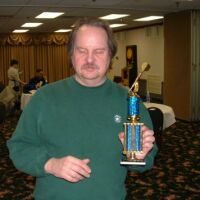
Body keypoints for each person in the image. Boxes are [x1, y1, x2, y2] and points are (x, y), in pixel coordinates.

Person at [7, 18, 157, 200]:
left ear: (110, 55)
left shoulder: (130, 101)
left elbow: (146, 160)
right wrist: (51, 164)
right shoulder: (44, 98)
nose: (90, 59)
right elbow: (19, 147)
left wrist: (139, 157)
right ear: (71, 54)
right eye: (82, 50)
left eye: (99, 51)